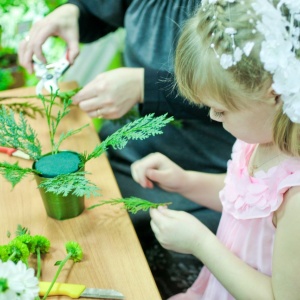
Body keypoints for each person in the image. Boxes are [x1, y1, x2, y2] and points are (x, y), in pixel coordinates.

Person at [18, 1, 236, 297]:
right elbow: (106, 10)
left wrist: (148, 87)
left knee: (110, 260)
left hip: (203, 173)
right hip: (128, 151)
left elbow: (250, 92)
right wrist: (75, 13)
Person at [131, 0, 300, 299]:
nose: (212, 117)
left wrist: (200, 243)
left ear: (272, 94)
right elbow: (246, 201)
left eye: (220, 111)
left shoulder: (296, 197)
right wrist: (185, 181)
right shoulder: (257, 137)